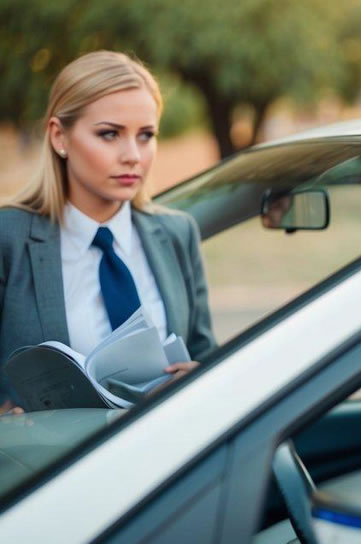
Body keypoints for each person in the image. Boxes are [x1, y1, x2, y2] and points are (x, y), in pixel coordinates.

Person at [0, 51, 215, 414]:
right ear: (59, 137)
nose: (133, 155)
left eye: (146, 135)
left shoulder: (178, 232)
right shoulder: (9, 237)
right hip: (50, 450)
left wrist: (201, 378)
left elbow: (207, 354)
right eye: (110, 134)